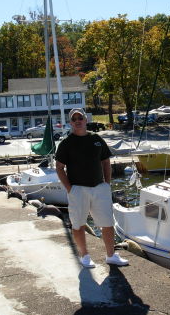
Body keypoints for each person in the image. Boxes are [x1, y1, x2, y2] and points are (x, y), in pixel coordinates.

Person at [55, 108, 129, 268]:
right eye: (74, 119)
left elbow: (106, 162)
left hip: (99, 188)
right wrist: (69, 189)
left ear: (85, 120)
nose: (77, 121)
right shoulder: (66, 143)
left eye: (80, 117)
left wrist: (106, 184)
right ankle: (85, 256)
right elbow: (59, 167)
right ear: (71, 123)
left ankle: (111, 255)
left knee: (107, 223)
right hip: (78, 190)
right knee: (78, 224)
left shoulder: (96, 139)